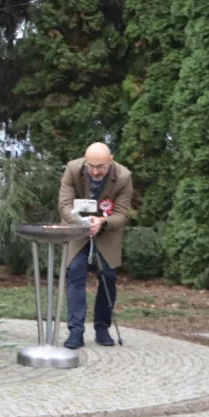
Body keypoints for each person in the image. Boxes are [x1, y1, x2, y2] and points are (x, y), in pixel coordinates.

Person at [57, 142, 133, 349]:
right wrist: (82, 224)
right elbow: (64, 205)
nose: (95, 171)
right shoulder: (73, 169)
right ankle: (76, 331)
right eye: (91, 166)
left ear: (111, 160)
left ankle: (102, 327)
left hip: (107, 230)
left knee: (108, 276)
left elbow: (122, 214)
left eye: (101, 166)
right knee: (75, 272)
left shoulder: (124, 177)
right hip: (77, 228)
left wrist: (102, 222)